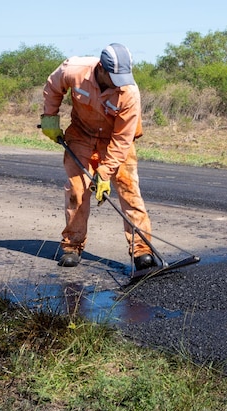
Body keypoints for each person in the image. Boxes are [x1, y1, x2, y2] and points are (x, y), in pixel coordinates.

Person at [40, 43, 156, 271]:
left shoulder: (129, 93)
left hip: (115, 140)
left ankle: (142, 251)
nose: (118, 83)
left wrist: (104, 174)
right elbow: (53, 86)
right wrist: (49, 118)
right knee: (77, 190)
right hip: (81, 134)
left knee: (129, 191)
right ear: (101, 68)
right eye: (114, 77)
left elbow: (122, 140)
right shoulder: (74, 70)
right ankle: (72, 246)